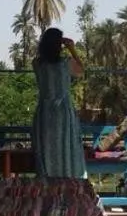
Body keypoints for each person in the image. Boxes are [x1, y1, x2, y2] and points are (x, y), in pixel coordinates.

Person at [31, 27, 86, 178]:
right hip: (63, 112)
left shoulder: (37, 64)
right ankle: (67, 180)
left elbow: (41, 58)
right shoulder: (66, 64)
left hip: (44, 113)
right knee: (66, 149)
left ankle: (47, 183)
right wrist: (72, 48)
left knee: (46, 150)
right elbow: (81, 71)